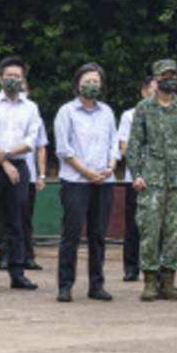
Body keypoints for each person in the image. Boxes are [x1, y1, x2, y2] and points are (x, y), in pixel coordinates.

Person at [126, 60, 177, 302]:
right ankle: (149, 280)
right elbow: (135, 144)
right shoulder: (144, 108)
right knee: (149, 228)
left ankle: (168, 280)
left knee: (175, 230)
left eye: (172, 75)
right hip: (152, 178)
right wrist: (136, 173)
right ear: (155, 79)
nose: (168, 79)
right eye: (164, 75)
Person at [54, 62, 120, 302]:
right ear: (77, 84)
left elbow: (115, 143)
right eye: (87, 81)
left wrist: (110, 168)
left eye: (96, 82)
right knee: (71, 234)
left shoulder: (107, 112)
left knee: (98, 234)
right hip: (75, 181)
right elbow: (64, 148)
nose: (91, 85)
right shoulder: (66, 112)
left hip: (104, 180)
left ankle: (96, 284)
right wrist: (87, 172)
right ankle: (65, 284)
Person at [0, 56, 39, 291]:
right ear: (1, 79)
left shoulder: (31, 107)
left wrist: (9, 156)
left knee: (17, 221)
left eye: (17, 77)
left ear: (23, 81)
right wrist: (4, 163)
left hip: (19, 166)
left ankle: (17, 272)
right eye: (8, 76)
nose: (13, 80)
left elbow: (31, 140)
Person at [117, 75, 156, 282]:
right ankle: (131, 267)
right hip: (135, 178)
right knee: (133, 224)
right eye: (153, 88)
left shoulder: (168, 115)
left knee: (158, 224)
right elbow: (124, 146)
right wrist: (138, 171)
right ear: (143, 92)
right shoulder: (129, 116)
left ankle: (155, 267)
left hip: (160, 179)